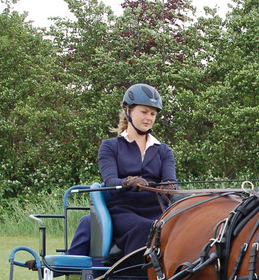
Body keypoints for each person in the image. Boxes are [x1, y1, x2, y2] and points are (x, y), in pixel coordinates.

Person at [67, 83, 177, 257]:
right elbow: (110, 182)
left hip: (157, 211)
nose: (149, 118)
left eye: (153, 114)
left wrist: (170, 187)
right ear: (128, 110)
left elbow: (172, 182)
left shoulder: (164, 151)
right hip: (123, 210)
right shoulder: (110, 147)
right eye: (144, 112)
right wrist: (128, 182)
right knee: (146, 228)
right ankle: (138, 273)